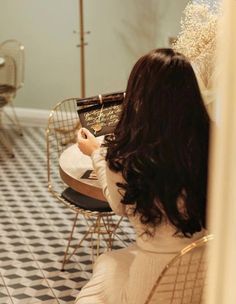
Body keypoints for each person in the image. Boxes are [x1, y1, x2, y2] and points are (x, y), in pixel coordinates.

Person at [75, 48, 210, 304]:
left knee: (104, 268)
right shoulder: (214, 145)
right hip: (207, 277)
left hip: (151, 287)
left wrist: (96, 154)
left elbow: (118, 206)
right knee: (109, 262)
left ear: (138, 95)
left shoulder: (127, 155)